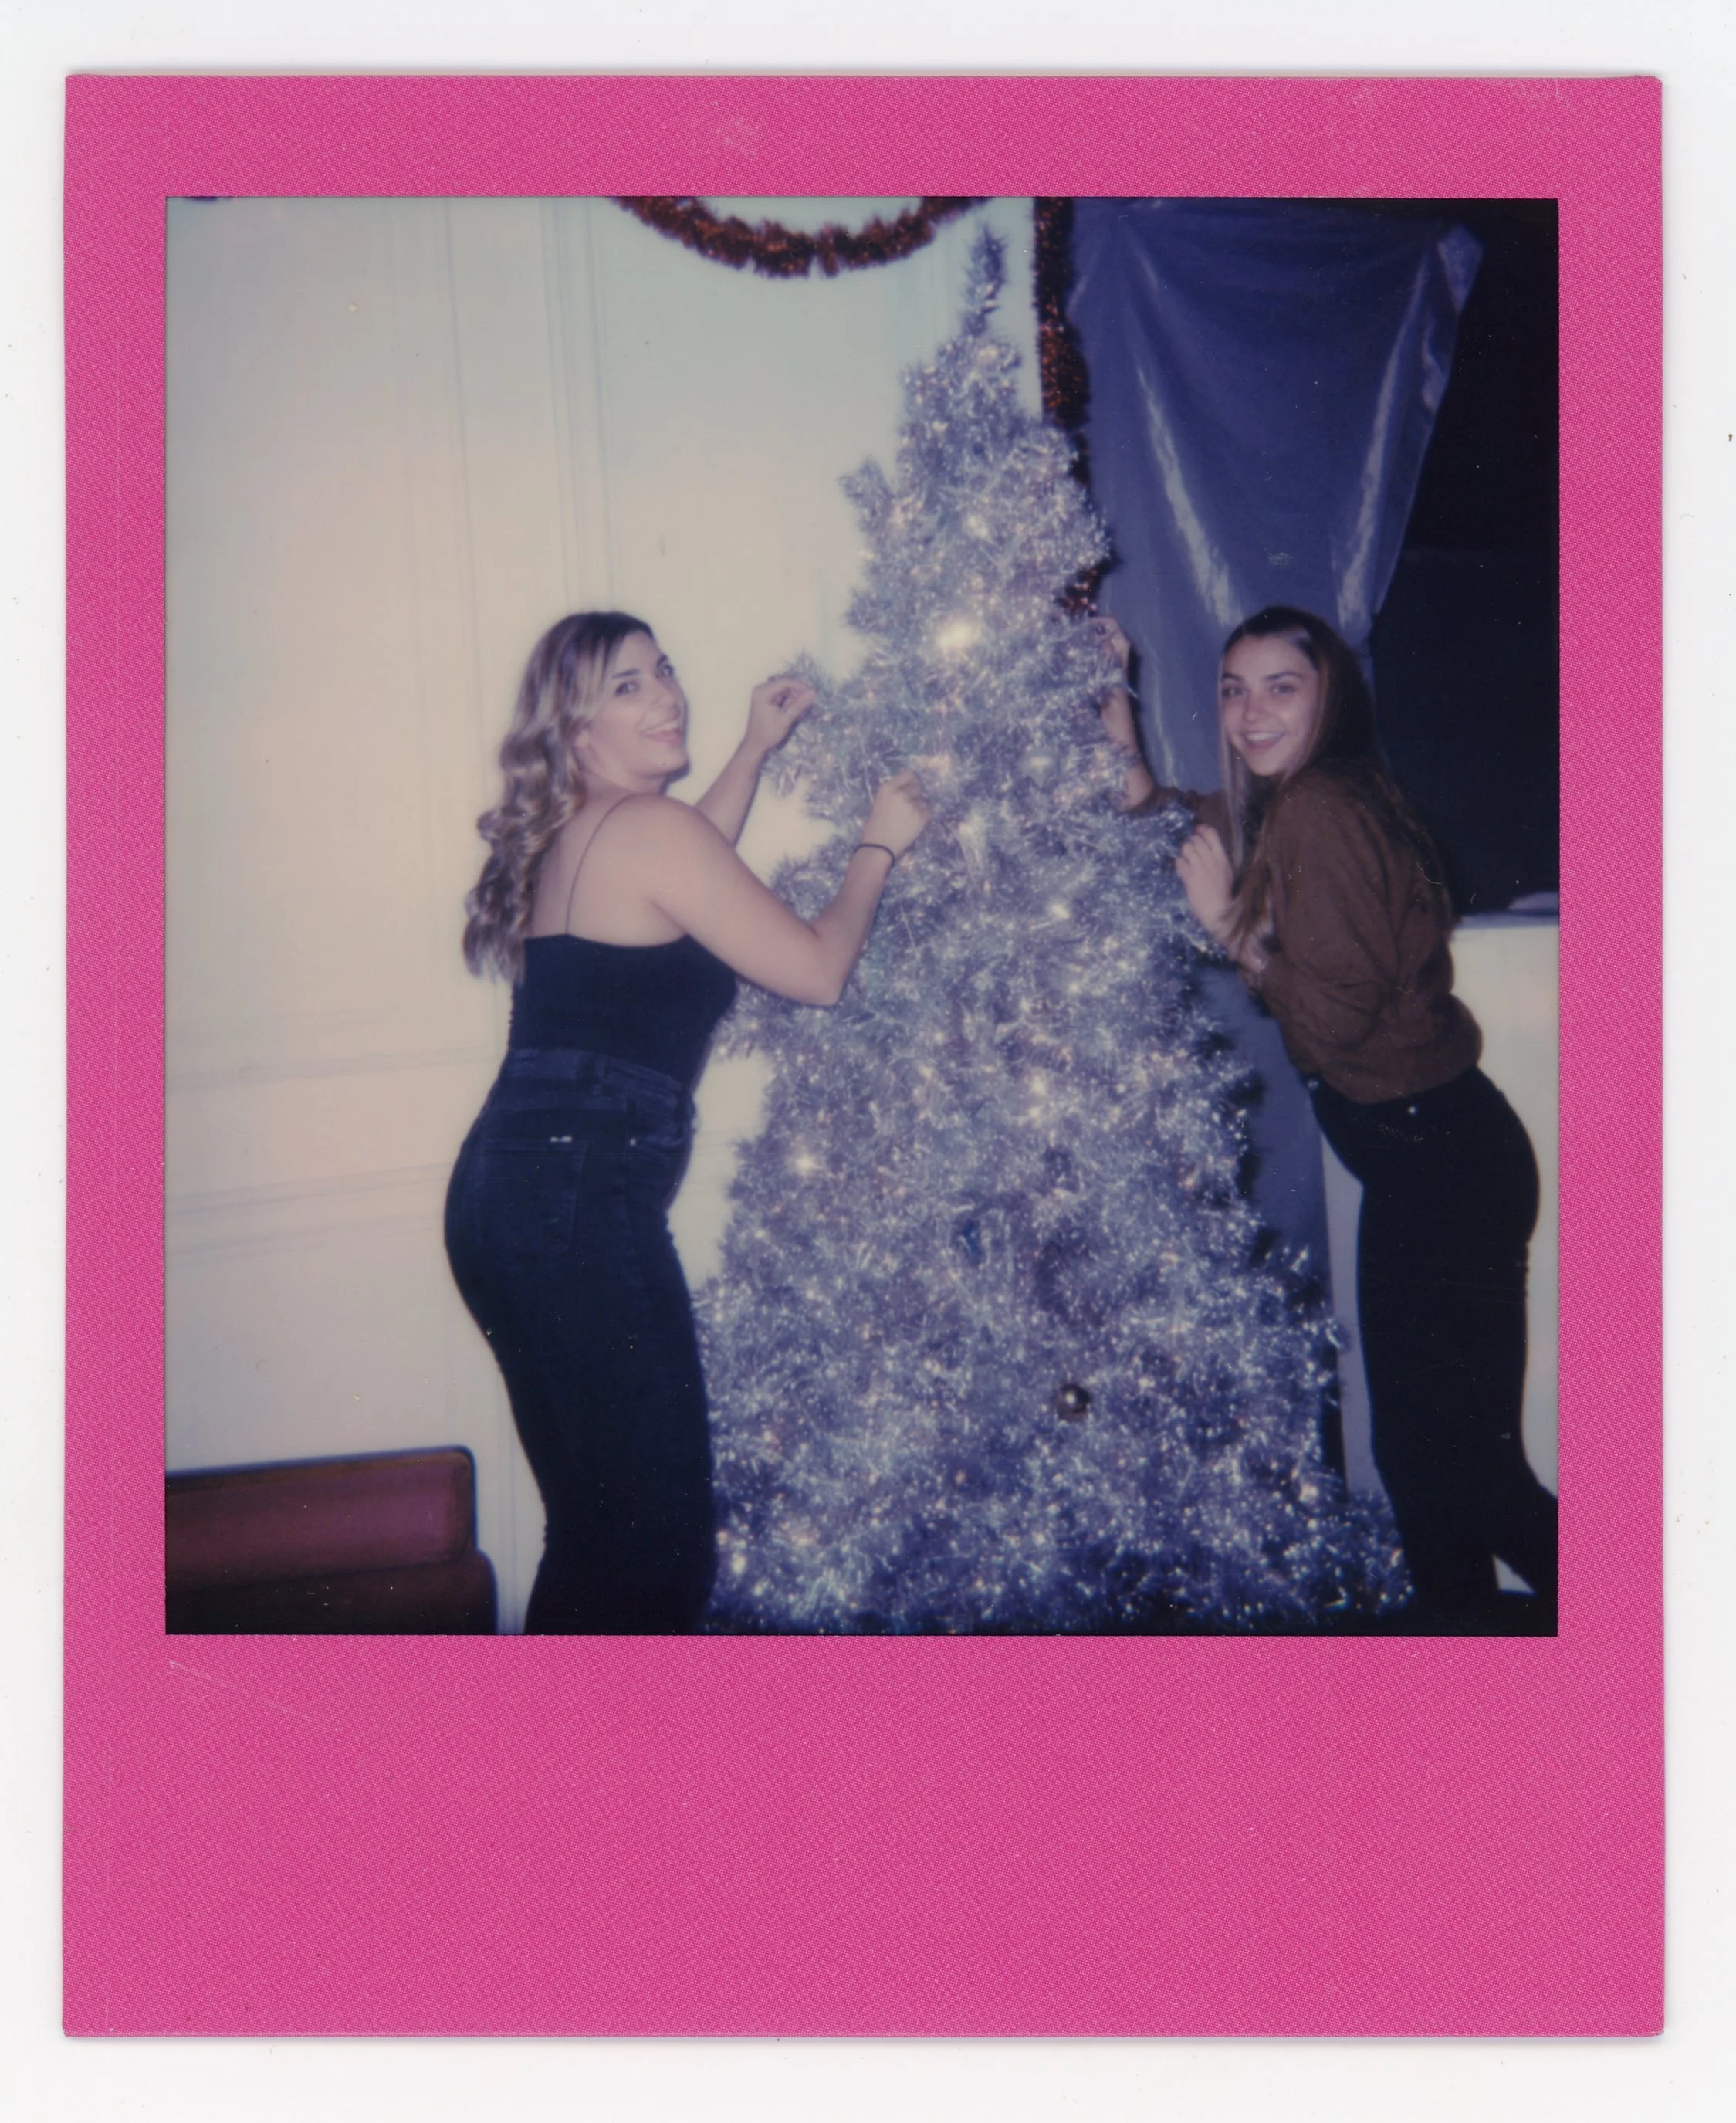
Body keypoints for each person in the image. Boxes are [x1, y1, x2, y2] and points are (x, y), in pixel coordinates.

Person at [445, 611, 929, 1634]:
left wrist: (755, 747)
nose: (666, 694)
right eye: (628, 686)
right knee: (655, 1544)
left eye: (663, 670)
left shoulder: (587, 832)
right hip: (576, 1201)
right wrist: (878, 843)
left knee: (598, 1527)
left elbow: (690, 868)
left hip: (504, 1196)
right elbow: (817, 968)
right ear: (575, 729)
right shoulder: (648, 834)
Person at [1094, 604, 1558, 1630]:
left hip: (1439, 1167)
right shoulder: (1286, 802)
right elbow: (1157, 817)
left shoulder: (1323, 812)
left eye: (1281, 686)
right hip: (1437, 1162)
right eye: (1232, 687)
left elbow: (1339, 1021)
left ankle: (1638, 1649)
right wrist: (1119, 689)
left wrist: (1230, 932)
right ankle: (1475, 1683)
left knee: (1460, 1470)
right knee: (1439, 1462)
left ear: (1327, 694)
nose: (1251, 710)